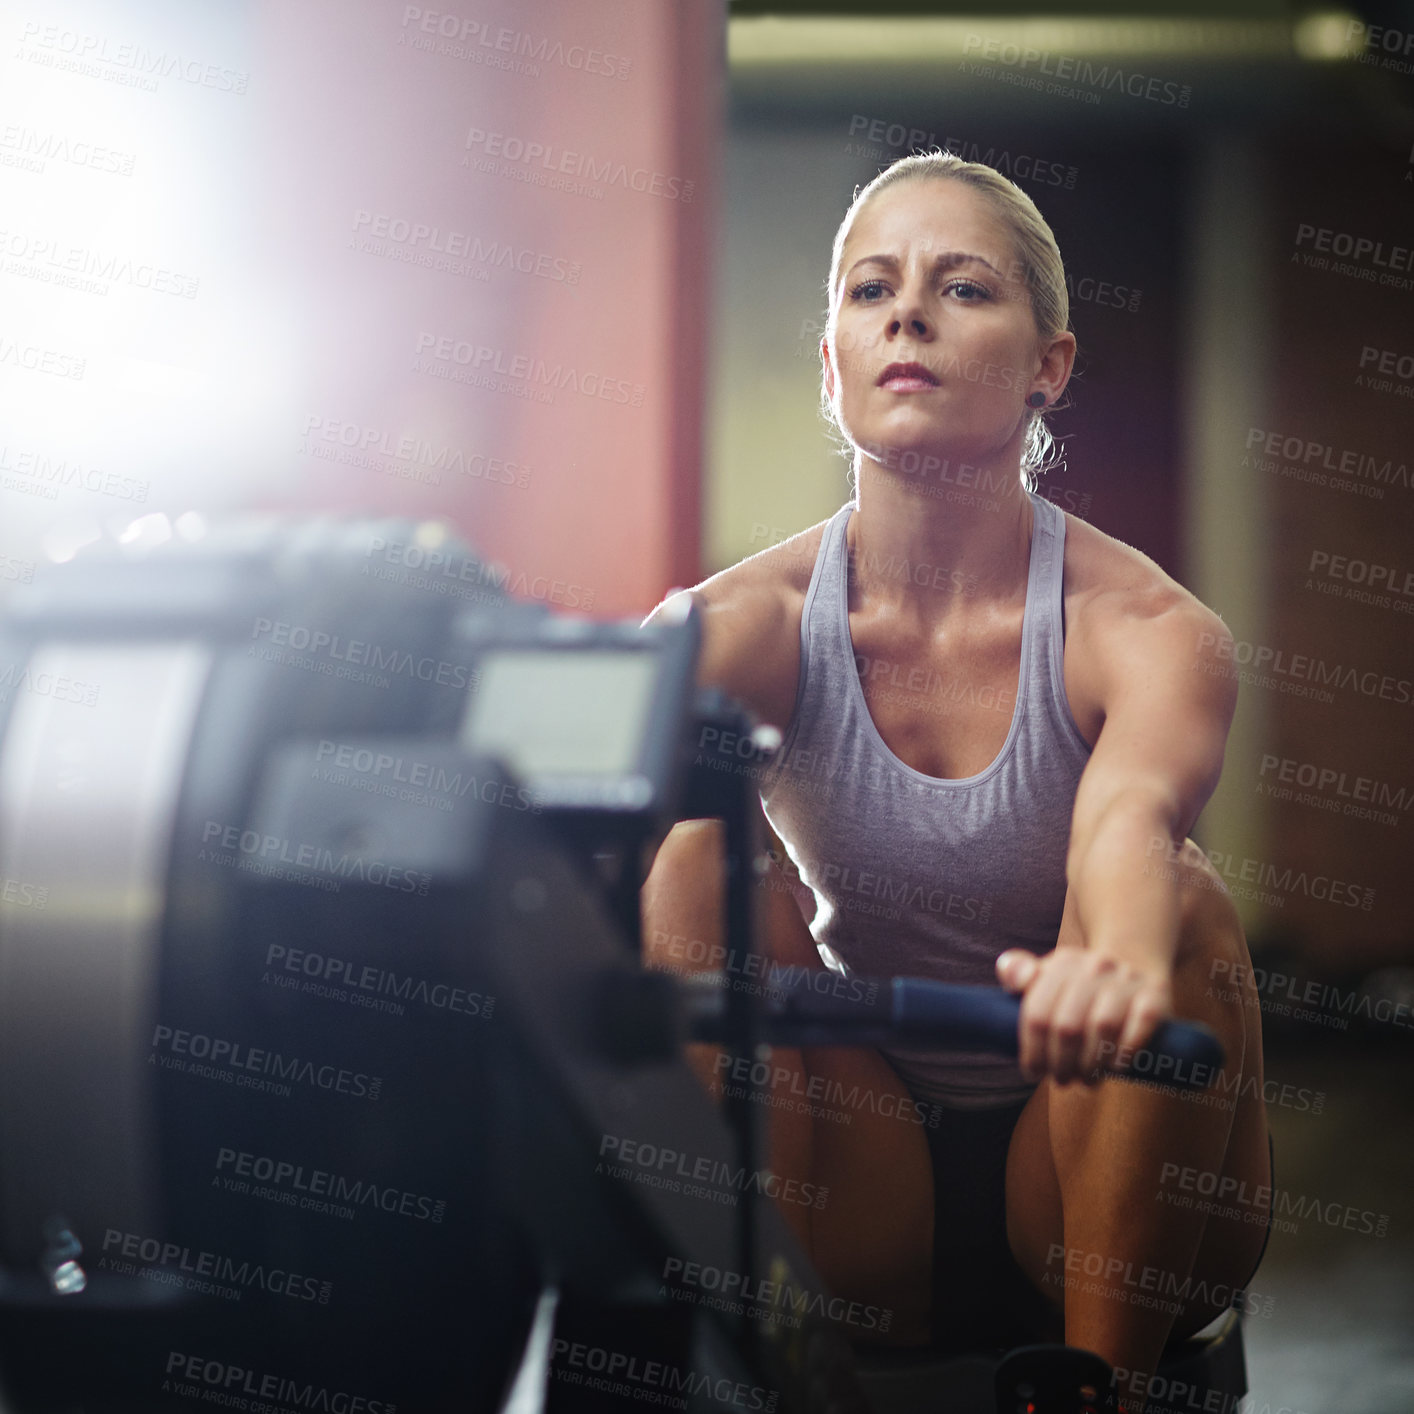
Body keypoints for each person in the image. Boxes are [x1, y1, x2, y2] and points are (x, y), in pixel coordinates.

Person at [639, 151, 1272, 1413]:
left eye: (961, 288)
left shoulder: (1144, 625)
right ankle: (746, 1369)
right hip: (860, 1172)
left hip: (1099, 1149)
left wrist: (1122, 965)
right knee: (694, 861)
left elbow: (1129, 823)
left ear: (1050, 364)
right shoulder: (740, 621)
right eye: (871, 290)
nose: (907, 315)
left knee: (1184, 902)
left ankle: (1100, 1390)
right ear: (833, 364)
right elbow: (567, 827)